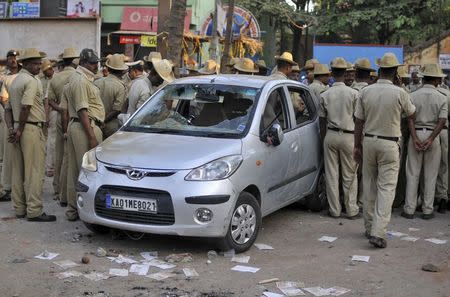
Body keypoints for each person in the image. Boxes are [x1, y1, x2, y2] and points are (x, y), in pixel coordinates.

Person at [354, 52, 416, 248]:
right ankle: (378, 233)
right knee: (387, 188)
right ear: (396, 72)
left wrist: (357, 145)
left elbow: (358, 121)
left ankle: (369, 226)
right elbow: (412, 113)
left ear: (379, 70)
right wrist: (400, 86)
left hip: (369, 141)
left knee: (369, 185)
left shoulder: (366, 92)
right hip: (390, 143)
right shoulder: (400, 93)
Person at [4, 48, 56, 222]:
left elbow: (8, 110)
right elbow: (26, 107)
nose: (39, 66)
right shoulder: (32, 81)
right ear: (25, 64)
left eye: (39, 63)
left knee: (18, 171)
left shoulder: (15, 81)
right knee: (34, 171)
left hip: (19, 128)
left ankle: (19, 208)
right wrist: (19, 130)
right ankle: (34, 210)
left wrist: (12, 129)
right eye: (35, 63)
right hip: (30, 128)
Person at [402, 64, 447, 220]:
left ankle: (409, 209)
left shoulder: (413, 95)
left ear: (423, 78)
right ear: (436, 80)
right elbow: (442, 121)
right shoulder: (442, 97)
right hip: (433, 136)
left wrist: (414, 138)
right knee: (431, 174)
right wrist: (430, 139)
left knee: (413, 173)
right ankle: (427, 210)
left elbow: (410, 119)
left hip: (416, 134)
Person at [64, 48, 104, 221]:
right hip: (84, 126)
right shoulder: (80, 80)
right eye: (93, 63)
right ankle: (81, 210)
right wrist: (92, 136)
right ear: (83, 63)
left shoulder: (80, 78)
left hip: (80, 126)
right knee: (86, 171)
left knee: (76, 169)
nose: (96, 65)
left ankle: (73, 210)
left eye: (96, 62)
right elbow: (82, 110)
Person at [320, 57, 360, 219]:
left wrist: (324, 139)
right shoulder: (353, 94)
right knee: (350, 174)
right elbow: (358, 120)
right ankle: (351, 210)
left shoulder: (325, 94)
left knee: (331, 174)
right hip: (349, 136)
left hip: (330, 134)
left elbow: (322, 121)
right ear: (345, 73)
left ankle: (334, 210)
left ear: (331, 73)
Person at [47, 47, 78, 206]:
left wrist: (60, 108)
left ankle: (57, 188)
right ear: (74, 61)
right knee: (71, 155)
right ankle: (68, 192)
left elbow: (50, 100)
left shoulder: (55, 78)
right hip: (75, 117)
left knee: (59, 153)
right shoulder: (79, 77)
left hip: (60, 116)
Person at [0, 50, 20, 202]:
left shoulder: (24, 75)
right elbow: (3, 98)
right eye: (10, 58)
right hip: (9, 117)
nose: (13, 60)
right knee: (8, 152)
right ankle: (7, 185)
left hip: (23, 118)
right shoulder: (4, 76)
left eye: (15, 58)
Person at [94, 54, 127, 139]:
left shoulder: (96, 82)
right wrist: (103, 121)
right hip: (111, 126)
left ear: (108, 68)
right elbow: (117, 110)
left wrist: (99, 121)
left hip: (95, 124)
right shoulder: (120, 86)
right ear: (122, 71)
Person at [435, 76, 450, 213]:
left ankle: (427, 199)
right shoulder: (447, 94)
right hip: (443, 131)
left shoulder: (417, 93)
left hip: (427, 133)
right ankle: (443, 197)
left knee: (425, 168)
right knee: (443, 166)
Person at [39, 59, 55, 177]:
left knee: (50, 141)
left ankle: (49, 166)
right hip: (41, 112)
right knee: (44, 141)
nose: (47, 72)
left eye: (48, 69)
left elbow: (48, 101)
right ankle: (46, 165)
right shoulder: (40, 80)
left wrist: (47, 116)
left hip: (50, 112)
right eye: (45, 71)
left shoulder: (56, 79)